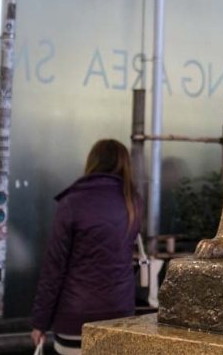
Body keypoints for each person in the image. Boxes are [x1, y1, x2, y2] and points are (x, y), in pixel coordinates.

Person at [30, 139, 141, 354]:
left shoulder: (72, 202)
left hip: (75, 319)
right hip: (121, 318)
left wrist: (40, 322)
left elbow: (54, 269)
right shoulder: (133, 203)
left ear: (92, 162)